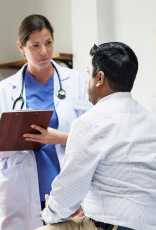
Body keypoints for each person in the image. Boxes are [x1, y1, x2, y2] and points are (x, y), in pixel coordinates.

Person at [0, 14, 90, 230]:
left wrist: (55, 137)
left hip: (65, 188)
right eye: (35, 45)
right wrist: (16, 136)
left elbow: (92, 137)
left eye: (48, 43)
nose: (44, 51)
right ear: (21, 47)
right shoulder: (5, 89)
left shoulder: (74, 80)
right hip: (21, 190)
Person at [36, 42, 156, 230]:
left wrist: (49, 213)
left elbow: (68, 191)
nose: (86, 81)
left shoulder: (89, 122)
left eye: (88, 73)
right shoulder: (151, 120)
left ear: (99, 78)